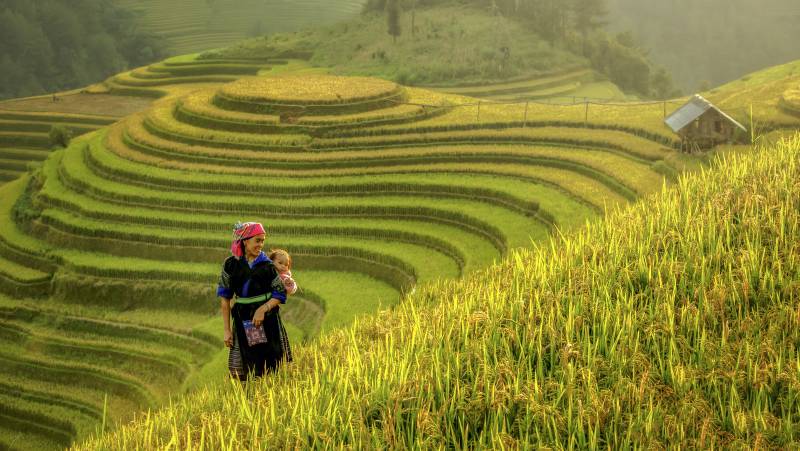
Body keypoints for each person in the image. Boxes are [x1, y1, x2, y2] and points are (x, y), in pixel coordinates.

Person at [217, 222, 293, 380]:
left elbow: (280, 294)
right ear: (245, 241)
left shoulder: (267, 265)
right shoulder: (230, 265)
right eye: (257, 240)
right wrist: (226, 330)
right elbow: (225, 299)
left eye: (262, 241)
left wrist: (262, 309)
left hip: (268, 319)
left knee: (273, 365)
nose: (261, 245)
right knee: (244, 370)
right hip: (243, 320)